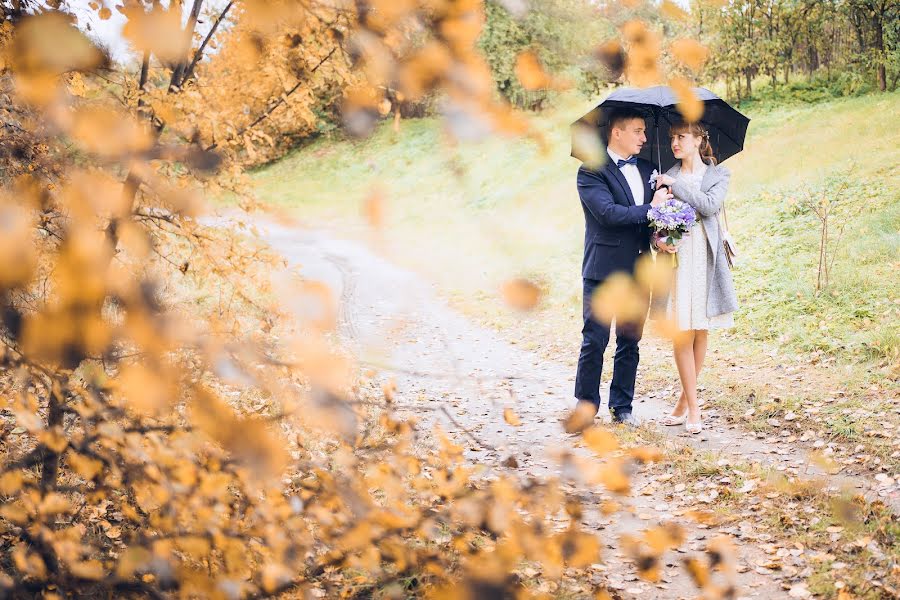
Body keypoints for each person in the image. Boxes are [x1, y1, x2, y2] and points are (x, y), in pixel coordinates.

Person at [574, 107, 672, 426]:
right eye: (637, 131)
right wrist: (650, 209)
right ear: (617, 133)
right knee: (595, 339)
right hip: (603, 270)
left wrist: (660, 232)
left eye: (645, 131)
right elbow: (609, 214)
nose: (644, 138)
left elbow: (650, 220)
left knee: (630, 341)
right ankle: (586, 406)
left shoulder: (648, 170)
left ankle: (622, 407)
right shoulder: (590, 171)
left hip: (639, 269)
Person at [654, 121, 739, 434]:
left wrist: (675, 187)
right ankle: (694, 408)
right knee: (681, 330)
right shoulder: (666, 177)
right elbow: (656, 221)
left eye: (681, 137)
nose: (675, 143)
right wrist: (658, 240)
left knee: (700, 330)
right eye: (672, 137)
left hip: (705, 258)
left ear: (699, 139)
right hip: (677, 259)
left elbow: (708, 206)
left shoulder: (717, 175)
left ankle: (683, 401)